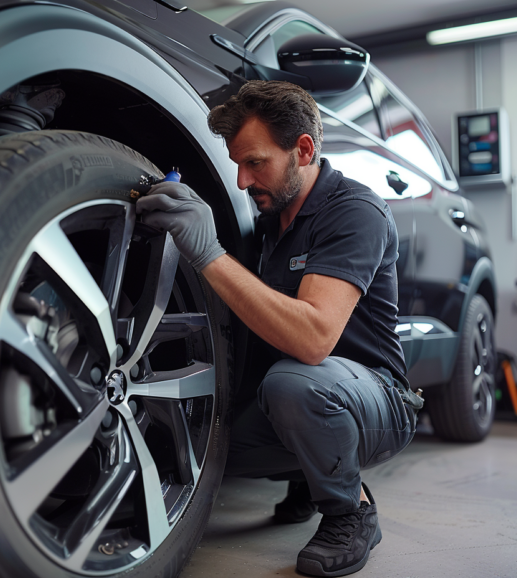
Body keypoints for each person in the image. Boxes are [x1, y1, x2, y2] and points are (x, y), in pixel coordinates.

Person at [136, 80, 421, 578]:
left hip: (376, 398)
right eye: (237, 165)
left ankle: (350, 511)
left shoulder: (354, 212)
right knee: (203, 445)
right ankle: (311, 471)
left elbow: (312, 339)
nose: (242, 182)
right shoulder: (268, 223)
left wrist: (209, 253)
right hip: (303, 392)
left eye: (256, 163)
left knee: (293, 385)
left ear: (303, 150)